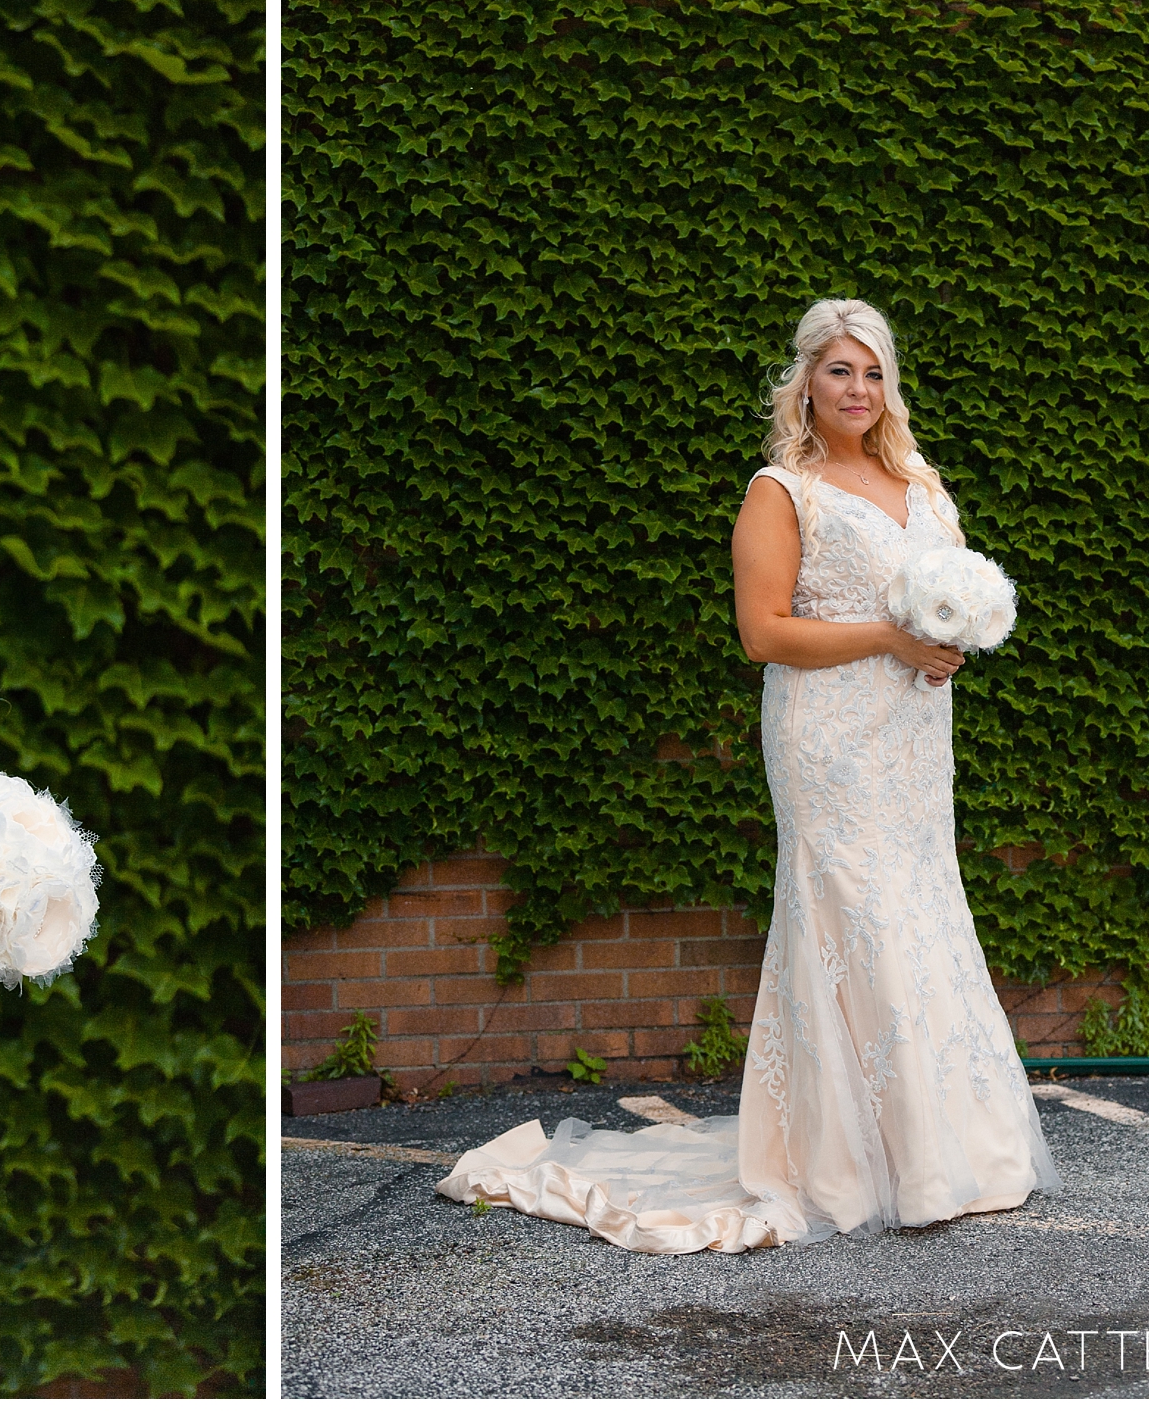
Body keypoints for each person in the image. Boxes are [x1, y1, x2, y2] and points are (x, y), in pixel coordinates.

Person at [436, 297, 1059, 1252]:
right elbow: (762, 631)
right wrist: (891, 637)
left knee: (923, 899)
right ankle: (849, 1160)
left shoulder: (924, 483)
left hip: (912, 737)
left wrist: (948, 638)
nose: (857, 389)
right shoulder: (783, 489)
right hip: (826, 736)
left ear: (890, 385)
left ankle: (947, 1148)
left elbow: (943, 596)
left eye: (873, 371)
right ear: (804, 381)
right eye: (839, 370)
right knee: (853, 907)